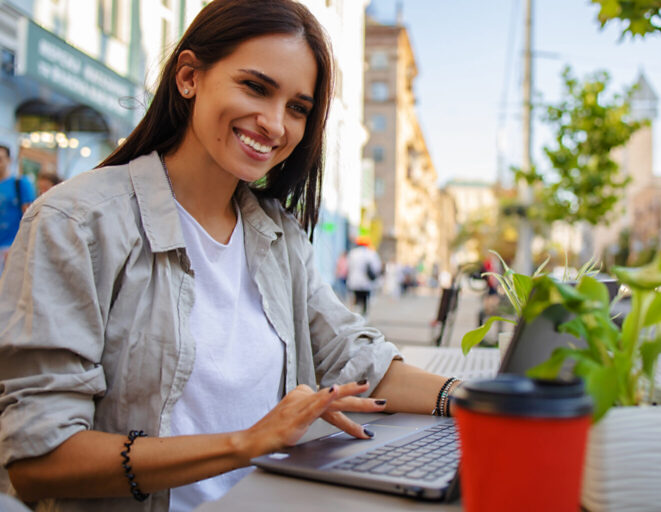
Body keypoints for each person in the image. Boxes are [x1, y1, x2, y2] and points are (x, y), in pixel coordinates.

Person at [0, 2, 461, 511]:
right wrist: (248, 442)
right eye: (256, 87)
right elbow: (37, 459)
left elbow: (352, 357)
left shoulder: (277, 235)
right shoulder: (76, 221)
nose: (274, 123)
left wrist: (473, 399)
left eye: (298, 108)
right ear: (189, 77)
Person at [0, 145, 35, 274]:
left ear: (9, 160)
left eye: (0, 159)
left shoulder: (20, 183)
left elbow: (30, 216)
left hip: (11, 248)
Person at [345, 235, 381, 316]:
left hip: (354, 281)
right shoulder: (371, 253)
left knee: (355, 298)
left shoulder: (353, 253)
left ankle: (355, 315)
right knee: (365, 300)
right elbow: (376, 267)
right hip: (366, 282)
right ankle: (364, 315)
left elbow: (348, 266)